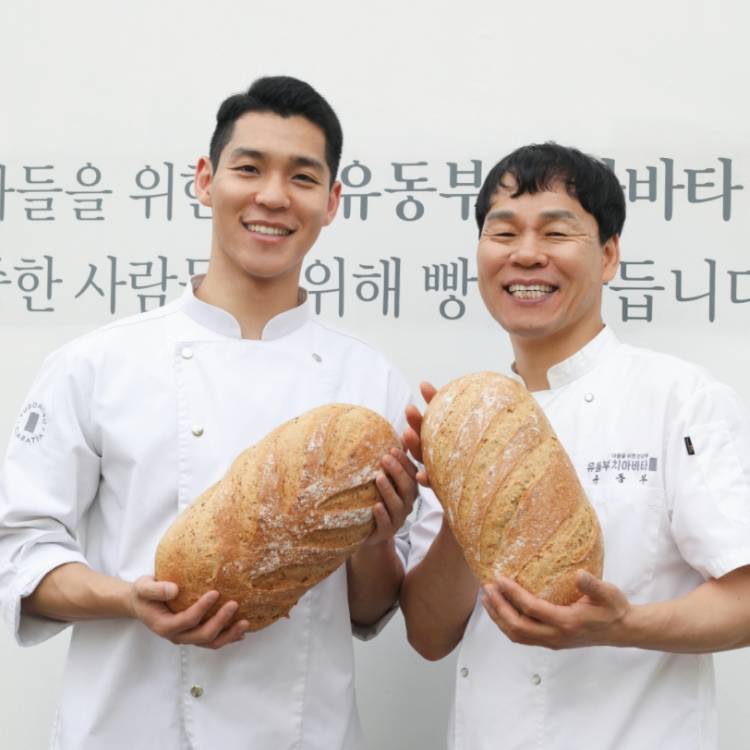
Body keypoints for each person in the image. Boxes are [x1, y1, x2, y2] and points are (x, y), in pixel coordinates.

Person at [0, 76, 417, 750]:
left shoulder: (371, 384)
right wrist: (129, 598)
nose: (273, 196)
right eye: (249, 168)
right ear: (204, 179)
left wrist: (373, 544)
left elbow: (368, 611)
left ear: (332, 201)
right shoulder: (97, 363)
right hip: (126, 731)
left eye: (302, 177)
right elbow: (19, 552)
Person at [400, 143, 750, 750]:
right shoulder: (462, 422)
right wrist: (466, 503)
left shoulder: (678, 397)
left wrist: (623, 625)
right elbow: (429, 638)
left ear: (608, 255)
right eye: (503, 232)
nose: (526, 254)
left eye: (556, 232)